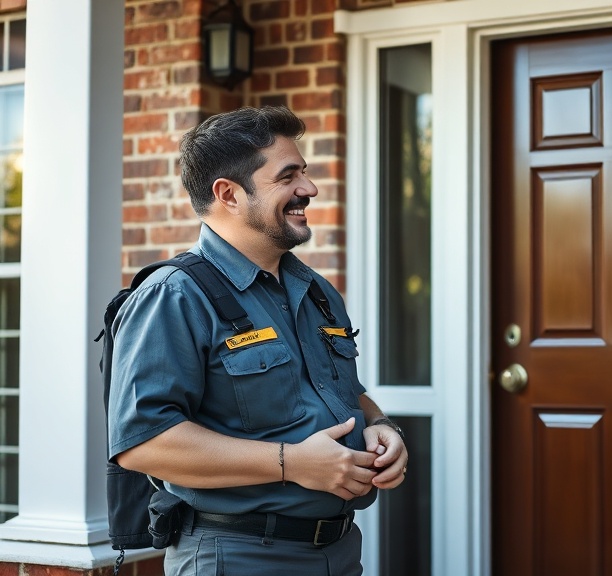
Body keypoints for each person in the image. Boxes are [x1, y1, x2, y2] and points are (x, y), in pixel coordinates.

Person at [107, 105, 408, 576]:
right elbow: (144, 443)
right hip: (236, 555)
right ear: (228, 194)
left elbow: (338, 389)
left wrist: (382, 425)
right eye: (288, 176)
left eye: (304, 173)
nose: (308, 189)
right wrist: (292, 463)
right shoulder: (175, 295)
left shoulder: (315, 290)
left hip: (340, 551)